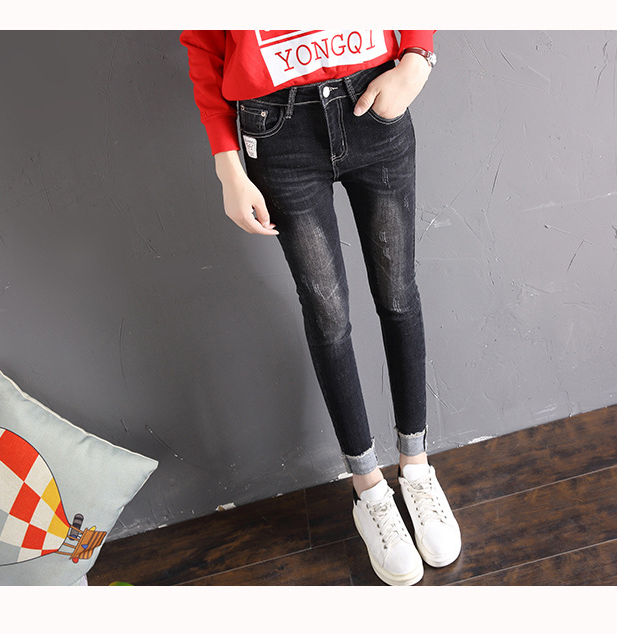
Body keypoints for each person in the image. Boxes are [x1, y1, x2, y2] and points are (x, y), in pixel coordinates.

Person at [180, 30, 460, 585]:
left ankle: (416, 469)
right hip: (276, 129)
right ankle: (369, 489)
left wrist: (418, 59)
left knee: (398, 295)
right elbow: (204, 46)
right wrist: (228, 168)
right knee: (328, 318)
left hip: (373, 99)